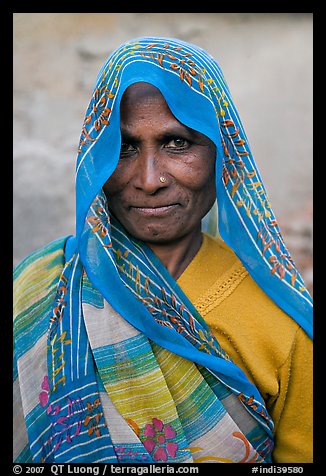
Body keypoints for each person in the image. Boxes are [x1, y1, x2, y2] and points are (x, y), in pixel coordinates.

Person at [13, 36, 313, 464]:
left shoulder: (281, 324)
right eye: (125, 147)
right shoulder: (37, 292)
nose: (150, 179)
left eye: (177, 144)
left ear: (223, 154)